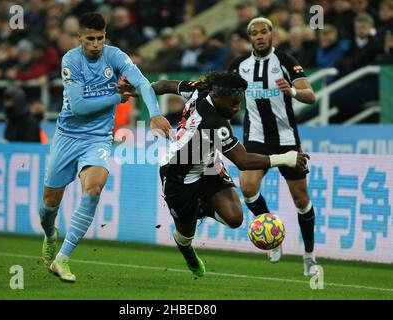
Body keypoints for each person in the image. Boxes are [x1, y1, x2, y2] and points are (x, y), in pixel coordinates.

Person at [118, 71, 309, 277]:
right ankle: (188, 252)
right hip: (178, 174)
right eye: (232, 104)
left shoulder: (200, 89)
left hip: (207, 164)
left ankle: (200, 208)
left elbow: (165, 85)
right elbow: (243, 161)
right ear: (217, 97)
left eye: (239, 103)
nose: (236, 109)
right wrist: (286, 158)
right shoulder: (212, 121)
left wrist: (141, 90)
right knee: (185, 236)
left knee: (235, 219)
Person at [39, 12, 171, 282]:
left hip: (97, 139)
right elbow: (78, 107)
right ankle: (50, 234)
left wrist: (155, 113)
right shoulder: (71, 60)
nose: (96, 44)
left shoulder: (115, 56)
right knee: (49, 204)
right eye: (90, 39)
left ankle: (62, 259)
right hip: (67, 136)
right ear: (80, 38)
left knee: (94, 189)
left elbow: (143, 83)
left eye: (100, 38)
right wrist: (116, 97)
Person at [229, 17, 318, 276]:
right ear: (249, 38)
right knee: (247, 188)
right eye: (254, 33)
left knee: (301, 199)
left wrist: (291, 91)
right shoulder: (239, 66)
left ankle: (310, 256)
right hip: (255, 138)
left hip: (287, 140)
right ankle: (273, 235)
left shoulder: (287, 62)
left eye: (263, 32)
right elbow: (218, 89)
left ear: (271, 35)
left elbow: (310, 96)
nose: (259, 36)